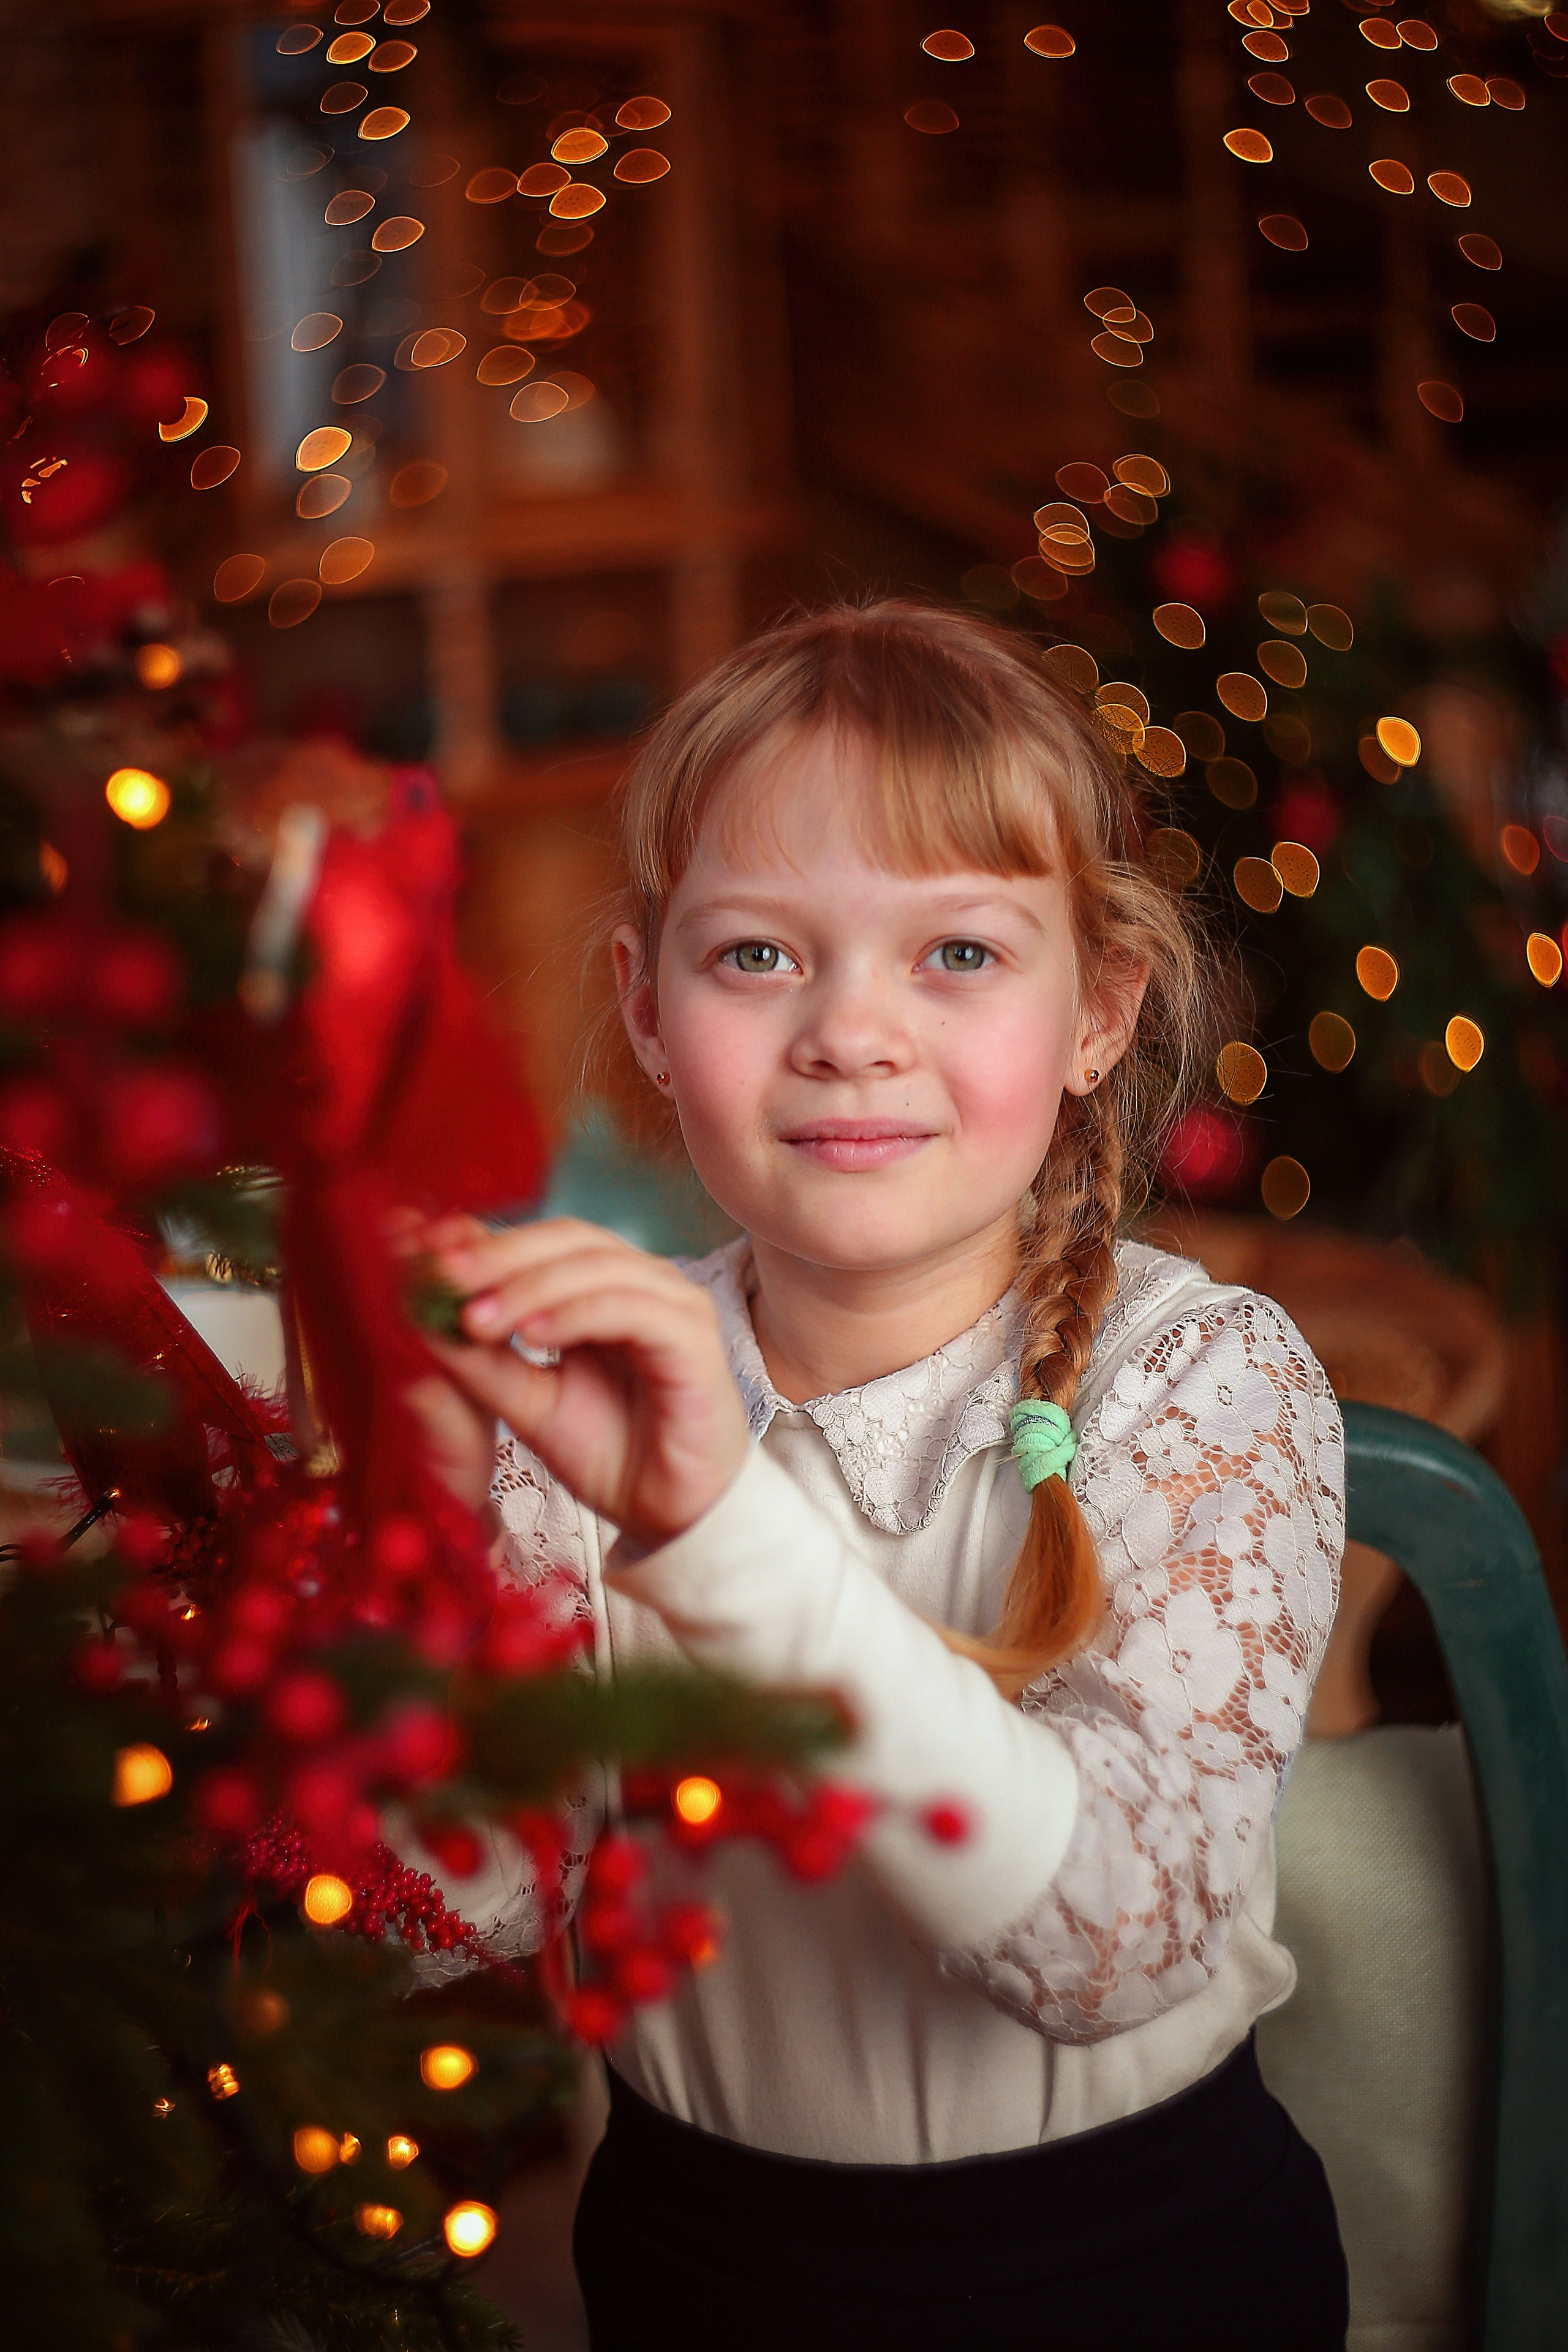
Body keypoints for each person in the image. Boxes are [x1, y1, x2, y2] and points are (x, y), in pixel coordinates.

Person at [405, 601, 1349, 2351]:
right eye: (758, 955)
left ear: (1100, 1011)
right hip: (702, 2266)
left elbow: (1110, 1945)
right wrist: (402, 1560)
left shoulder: (1204, 1385)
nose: (850, 1031)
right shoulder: (572, 1401)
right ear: (647, 1003)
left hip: (1140, 2273)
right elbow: (449, 1914)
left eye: (960, 955)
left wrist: (716, 1534)